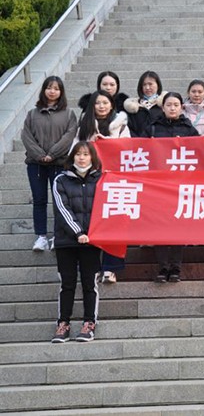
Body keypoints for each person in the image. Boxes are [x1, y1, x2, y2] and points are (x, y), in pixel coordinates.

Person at [75, 90, 131, 284]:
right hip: (90, 181)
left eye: (105, 102)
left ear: (112, 105)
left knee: (115, 223)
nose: (101, 106)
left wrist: (109, 144)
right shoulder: (84, 126)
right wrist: (90, 146)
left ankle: (111, 268)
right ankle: (93, 268)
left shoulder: (121, 125)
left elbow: (129, 150)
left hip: (115, 181)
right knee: (91, 224)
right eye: (97, 103)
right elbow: (74, 151)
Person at [50, 141, 102, 343]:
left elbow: (105, 207)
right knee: (67, 284)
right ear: (72, 157)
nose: (82, 158)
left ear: (92, 157)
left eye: (86, 154)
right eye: (78, 154)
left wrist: (93, 233)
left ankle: (89, 323)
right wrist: (78, 232)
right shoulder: (60, 180)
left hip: (92, 241)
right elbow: (61, 209)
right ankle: (63, 324)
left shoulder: (101, 179)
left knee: (90, 283)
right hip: (66, 241)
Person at [22, 76, 78, 252]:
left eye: (56, 88)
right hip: (36, 164)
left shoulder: (68, 114)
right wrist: (40, 155)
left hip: (59, 163)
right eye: (49, 88)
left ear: (61, 92)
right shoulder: (33, 114)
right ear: (44, 90)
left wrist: (52, 154)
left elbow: (69, 136)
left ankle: (57, 235)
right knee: (39, 199)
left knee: (59, 201)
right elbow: (26, 136)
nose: (52, 91)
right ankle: (41, 236)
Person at [148, 92, 200, 282]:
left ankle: (176, 268)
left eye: (176, 105)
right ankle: (163, 267)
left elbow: (200, 150)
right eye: (169, 105)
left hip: (181, 184)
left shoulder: (188, 128)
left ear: (181, 107)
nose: (172, 108)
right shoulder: (153, 127)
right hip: (158, 185)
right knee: (159, 226)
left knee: (178, 225)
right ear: (163, 107)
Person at [124, 71, 166, 138]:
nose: (147, 88)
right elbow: (129, 129)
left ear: (158, 85)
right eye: (144, 85)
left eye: (150, 84)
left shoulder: (164, 105)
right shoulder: (133, 107)